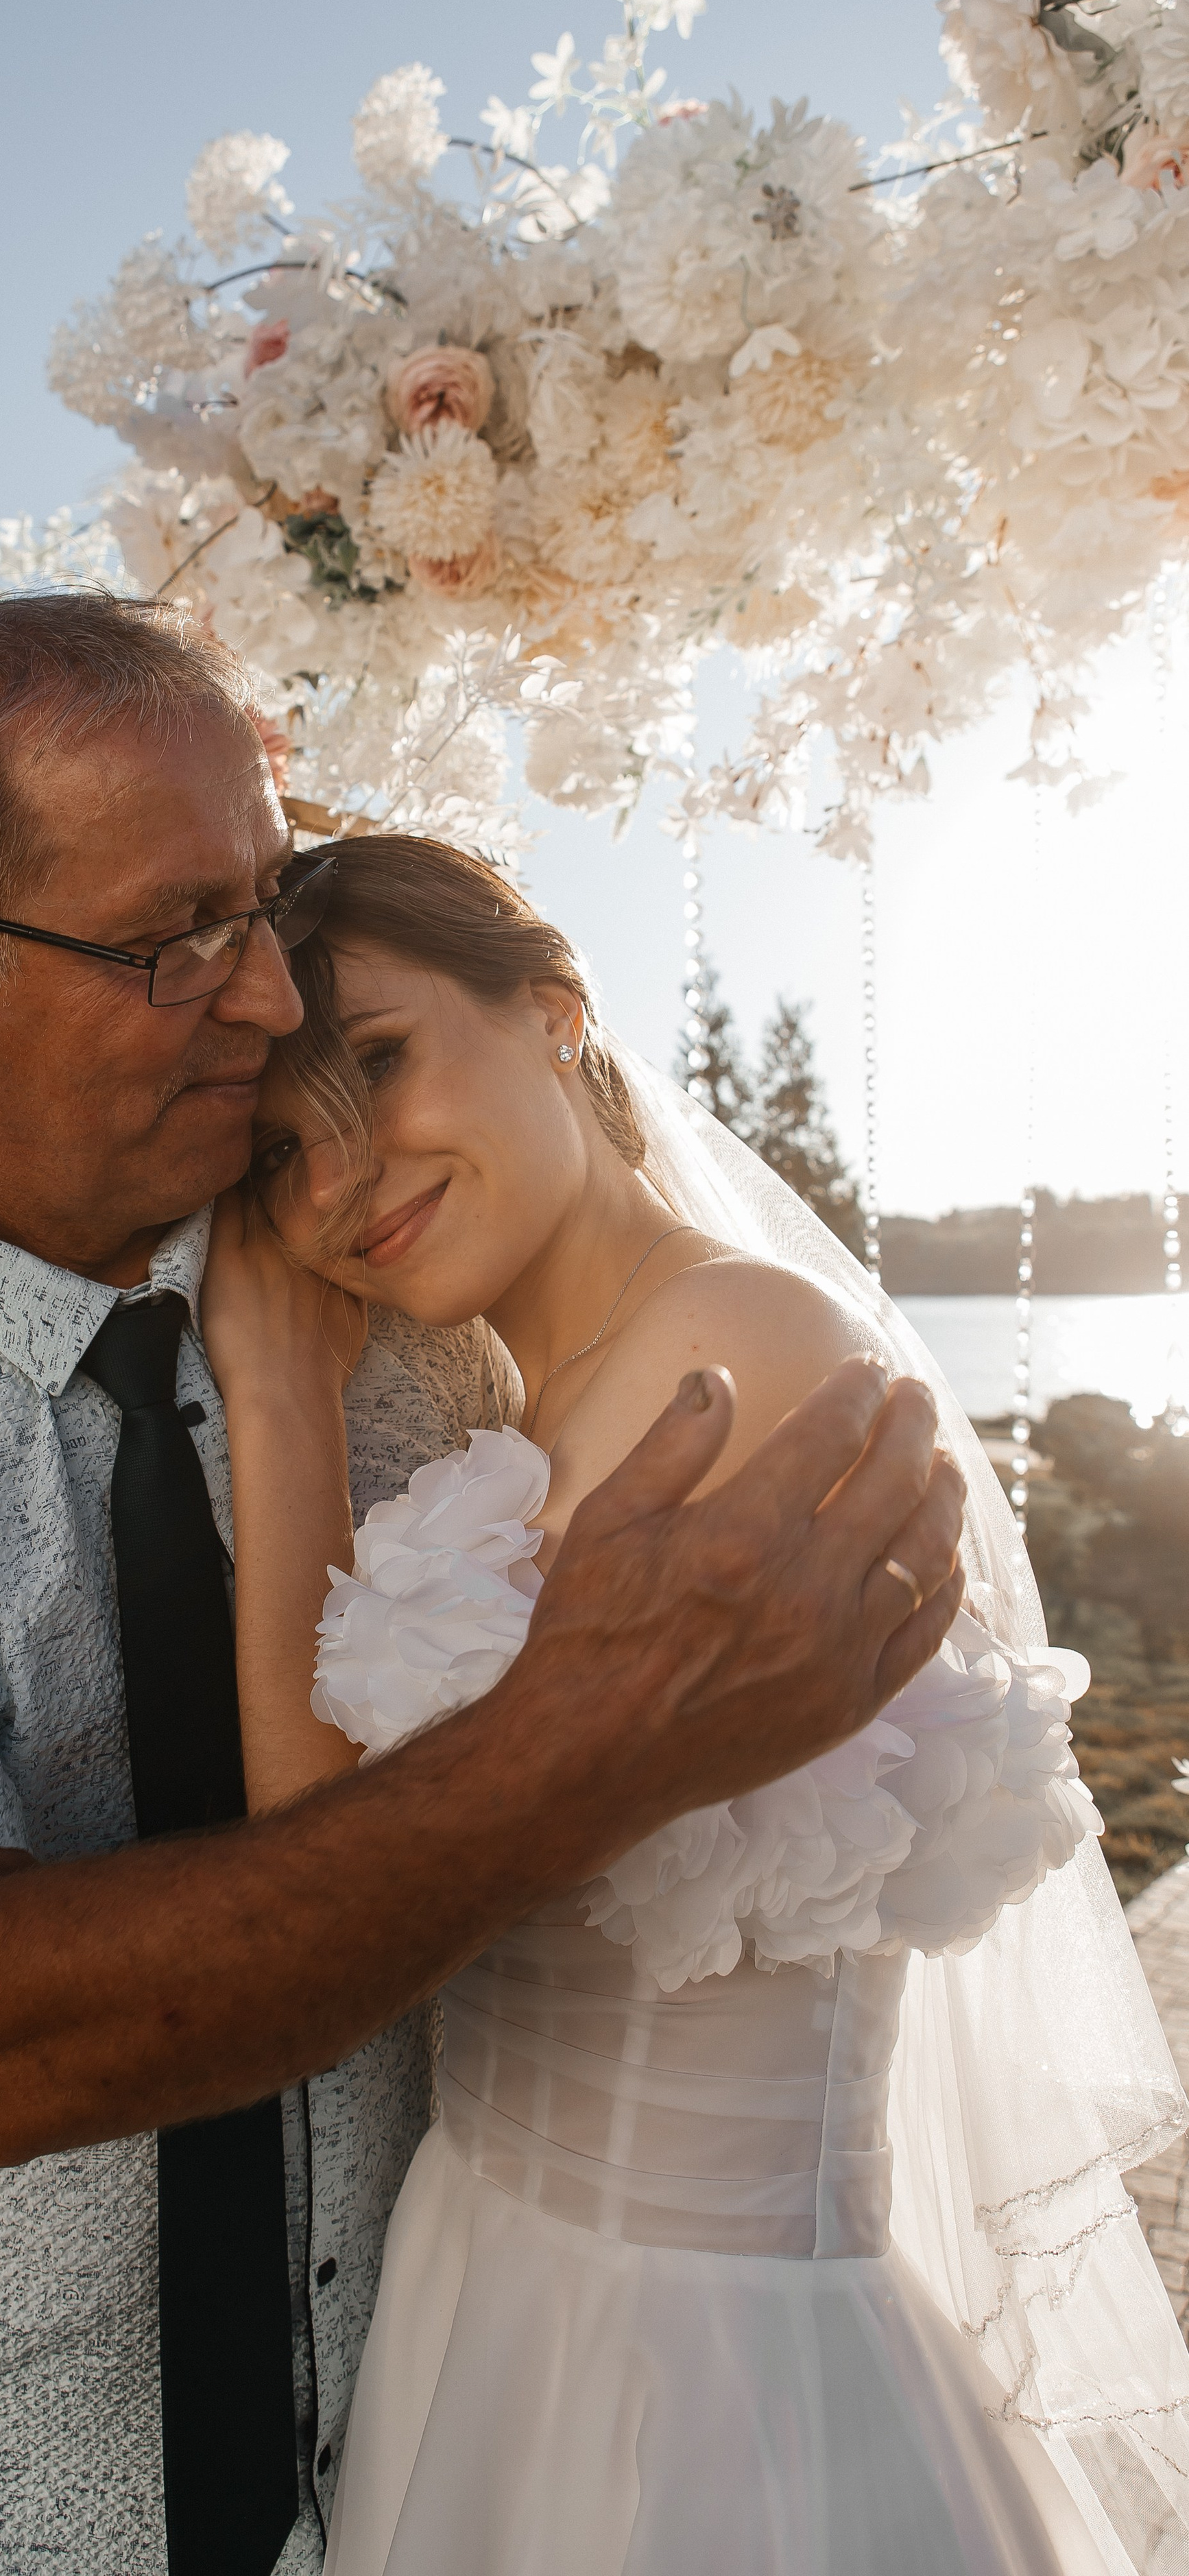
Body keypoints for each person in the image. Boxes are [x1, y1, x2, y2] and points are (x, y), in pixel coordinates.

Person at [0, 594, 967, 2576]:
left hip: (442, 2469)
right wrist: (584, 1736)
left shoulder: (435, 1294)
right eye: (179, 938)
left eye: (264, 905)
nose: (265, 1001)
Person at [215, 830, 1189, 2576]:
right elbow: (334, 1882)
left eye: (377, 1062)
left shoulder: (730, 1353)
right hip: (497, 2258)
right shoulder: (534, 1407)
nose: (343, 1181)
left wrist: (279, 1410)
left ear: (557, 1013)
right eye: (282, 1150)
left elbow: (327, 1891)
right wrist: (285, 1397)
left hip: (685, 2345)